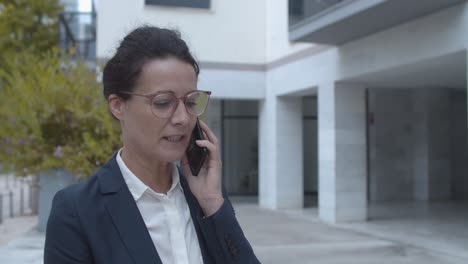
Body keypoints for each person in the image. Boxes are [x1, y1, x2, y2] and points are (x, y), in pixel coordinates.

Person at [44, 26, 260, 264]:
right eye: (163, 102)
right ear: (118, 105)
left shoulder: (205, 197)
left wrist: (214, 207)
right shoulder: (77, 211)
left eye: (190, 102)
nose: (182, 118)